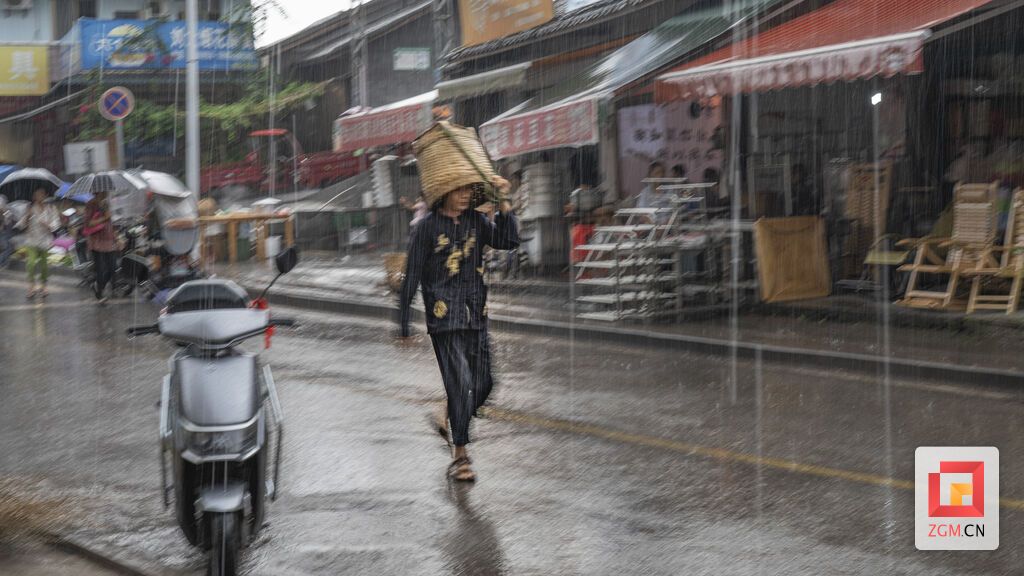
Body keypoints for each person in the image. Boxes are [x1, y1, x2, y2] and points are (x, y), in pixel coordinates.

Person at [398, 175, 518, 482]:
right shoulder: (426, 228)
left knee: (486, 383)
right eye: (459, 190)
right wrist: (402, 322)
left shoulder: (476, 222)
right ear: (443, 191)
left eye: (468, 189)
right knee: (461, 382)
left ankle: (449, 412)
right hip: (444, 317)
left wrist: (504, 202)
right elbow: (411, 274)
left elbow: (509, 241)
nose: (465, 195)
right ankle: (461, 456)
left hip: (475, 313)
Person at [16, 188, 60, 298]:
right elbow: (21, 225)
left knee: (44, 266)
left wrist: (49, 225)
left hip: (45, 241)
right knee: (30, 263)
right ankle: (31, 287)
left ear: (45, 196)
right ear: (34, 197)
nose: (39, 196)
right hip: (32, 240)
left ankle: (43, 286)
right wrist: (27, 215)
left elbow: (56, 224)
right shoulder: (29, 208)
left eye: (42, 194)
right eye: (37, 195)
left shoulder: (51, 208)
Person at [84, 190, 119, 304]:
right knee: (100, 269)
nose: (107, 192)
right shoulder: (91, 204)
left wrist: (117, 238)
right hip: (97, 240)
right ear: (99, 191)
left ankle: (99, 286)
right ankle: (100, 294)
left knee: (112, 267)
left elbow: (111, 223)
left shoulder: (107, 203)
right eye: (105, 191)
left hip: (109, 240)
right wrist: (105, 217)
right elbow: (88, 223)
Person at [0, 195, 14, 267]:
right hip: (4, 231)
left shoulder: (7, 212)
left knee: (6, 247)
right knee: (6, 247)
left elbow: (8, 220)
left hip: (5, 230)